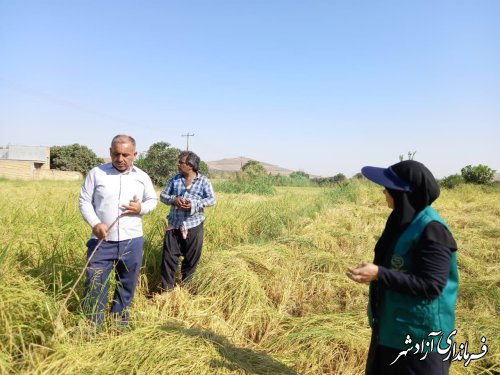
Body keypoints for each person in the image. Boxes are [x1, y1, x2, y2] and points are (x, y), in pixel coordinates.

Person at [346, 160, 458, 375]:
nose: (383, 191)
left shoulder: (432, 230)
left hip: (421, 337)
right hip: (393, 327)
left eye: (388, 188)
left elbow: (432, 285)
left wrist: (379, 273)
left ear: (402, 193)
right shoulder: (401, 221)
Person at [78, 135, 157, 326]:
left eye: (125, 155)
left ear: (134, 154)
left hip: (132, 240)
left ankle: (118, 324)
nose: (120, 159)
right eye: (116, 154)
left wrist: (141, 209)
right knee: (95, 284)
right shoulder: (96, 173)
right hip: (101, 242)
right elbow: (84, 201)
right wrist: (95, 224)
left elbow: (152, 200)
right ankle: (91, 327)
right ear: (110, 152)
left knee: (126, 284)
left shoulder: (142, 176)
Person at [159, 150, 216, 290]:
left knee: (191, 259)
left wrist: (193, 204)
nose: (178, 165)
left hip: (194, 225)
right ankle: (167, 290)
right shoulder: (175, 180)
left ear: (190, 165)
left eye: (181, 162)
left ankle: (187, 289)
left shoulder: (203, 181)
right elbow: (162, 195)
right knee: (169, 258)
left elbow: (212, 199)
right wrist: (174, 200)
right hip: (174, 224)